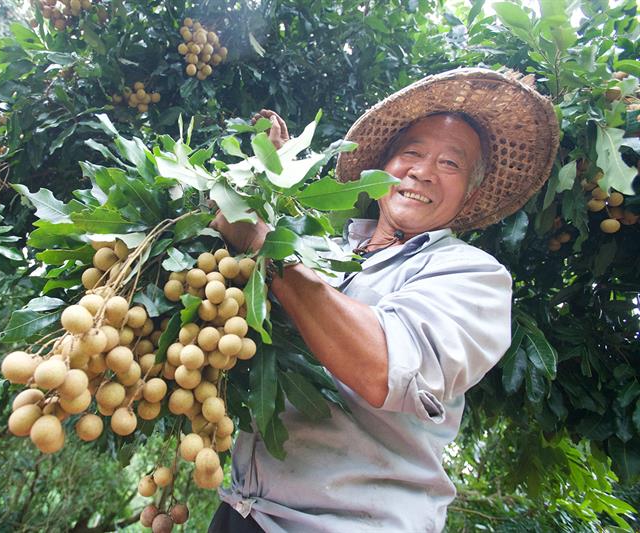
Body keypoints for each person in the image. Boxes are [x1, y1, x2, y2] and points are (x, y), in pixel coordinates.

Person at [209, 68, 560, 532]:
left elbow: (382, 366)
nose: (422, 171)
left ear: (470, 191)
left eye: (450, 164)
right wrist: (258, 183)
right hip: (241, 511)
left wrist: (265, 244)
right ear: (382, 169)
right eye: (411, 153)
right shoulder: (325, 254)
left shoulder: (474, 276)